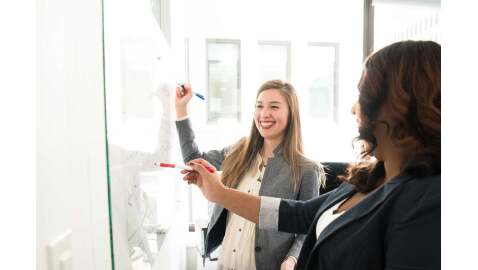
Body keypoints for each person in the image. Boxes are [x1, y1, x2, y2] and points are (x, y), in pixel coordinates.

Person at [182, 40, 441, 270]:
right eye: (259, 106)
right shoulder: (369, 176)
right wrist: (220, 194)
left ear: (398, 106)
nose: (353, 108)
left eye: (363, 95)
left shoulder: (430, 201)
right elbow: (300, 215)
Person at [175, 80, 323, 270]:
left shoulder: (307, 169)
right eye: (259, 106)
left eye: (274, 107)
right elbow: (194, 160)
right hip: (226, 263)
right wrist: (181, 109)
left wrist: (292, 259)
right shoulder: (239, 150)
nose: (264, 114)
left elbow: (308, 228)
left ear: (291, 113)